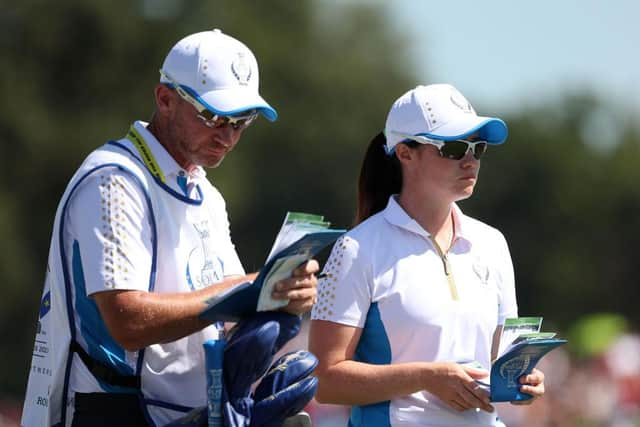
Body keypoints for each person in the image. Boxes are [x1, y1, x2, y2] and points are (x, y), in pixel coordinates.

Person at [21, 29, 319, 427]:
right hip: (109, 409)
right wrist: (247, 289)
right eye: (214, 116)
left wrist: (280, 295)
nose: (228, 136)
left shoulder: (206, 193)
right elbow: (128, 322)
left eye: (242, 121)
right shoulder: (113, 180)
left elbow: (225, 312)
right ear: (165, 99)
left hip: (182, 410)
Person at [308, 84, 545, 426]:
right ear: (405, 153)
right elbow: (324, 381)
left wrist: (522, 381)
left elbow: (499, 362)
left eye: (477, 148)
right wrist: (426, 377)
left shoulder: (492, 243)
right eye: (453, 147)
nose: (470, 160)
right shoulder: (356, 249)